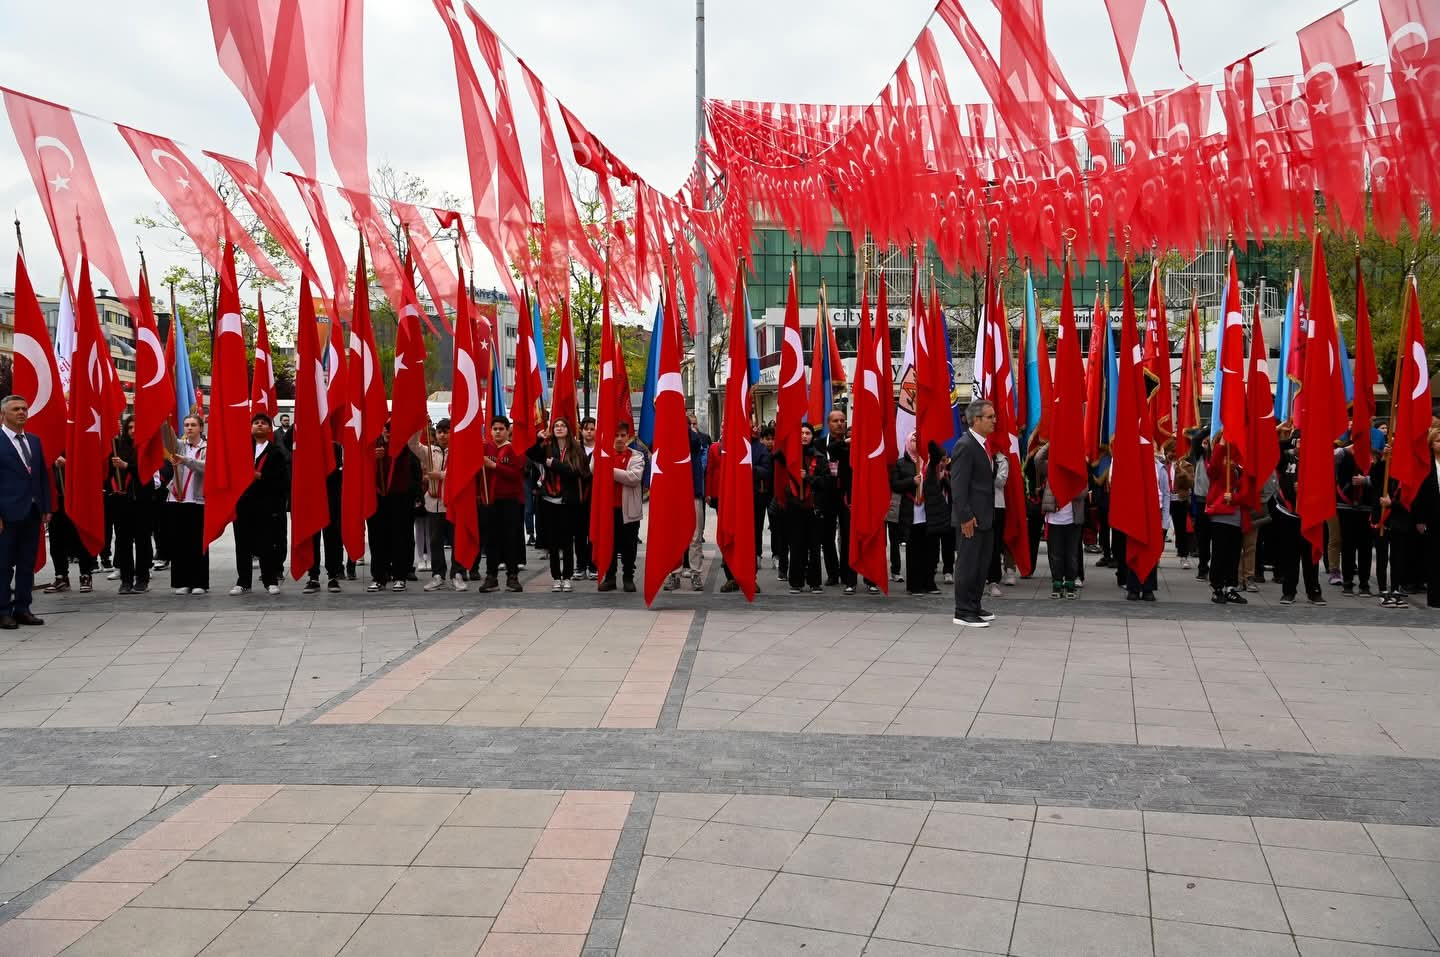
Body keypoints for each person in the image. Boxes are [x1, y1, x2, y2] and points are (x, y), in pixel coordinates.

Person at [0, 396, 50, 628]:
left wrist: (46, 507)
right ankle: (3, 611)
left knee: (26, 564)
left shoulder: (34, 440)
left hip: (31, 512)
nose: (21, 412)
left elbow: (41, 476)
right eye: (16, 409)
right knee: (3, 565)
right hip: (6, 515)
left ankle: (22, 608)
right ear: (3, 414)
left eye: (24, 408)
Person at [527, 417, 589, 592]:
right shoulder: (547, 447)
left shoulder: (576, 449)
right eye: (556, 426)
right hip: (548, 501)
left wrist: (555, 464)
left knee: (567, 542)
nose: (559, 428)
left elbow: (577, 472)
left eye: (563, 425)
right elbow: (530, 454)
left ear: (568, 429)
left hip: (567, 502)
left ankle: (567, 577)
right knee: (552, 543)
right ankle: (556, 577)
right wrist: (538, 438)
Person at [951, 401, 997, 627]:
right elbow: (959, 486)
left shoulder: (983, 445)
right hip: (970, 518)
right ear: (976, 420)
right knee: (968, 564)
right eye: (990, 417)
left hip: (985, 517)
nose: (994, 421)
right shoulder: (965, 445)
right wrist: (965, 516)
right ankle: (963, 611)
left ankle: (974, 604)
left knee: (981, 564)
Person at [230, 413, 288, 595]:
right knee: (242, 544)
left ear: (270, 429)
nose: (259, 425)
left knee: (266, 543)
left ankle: (270, 580)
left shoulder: (276, 452)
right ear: (251, 427)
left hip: (265, 504)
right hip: (243, 503)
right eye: (256, 423)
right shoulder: (242, 450)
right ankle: (243, 581)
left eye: (263, 423)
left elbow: (282, 479)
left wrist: (261, 476)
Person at [1271, 426, 1323, 605]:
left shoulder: (1317, 461)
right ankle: (1289, 591)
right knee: (1289, 555)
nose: (1302, 445)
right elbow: (1273, 448)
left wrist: (1307, 490)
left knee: (1310, 555)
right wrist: (1289, 439)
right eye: (1300, 441)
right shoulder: (1286, 458)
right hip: (1288, 513)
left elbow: (1325, 485)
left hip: (1310, 514)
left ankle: (1313, 591)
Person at [368, 423, 422, 592]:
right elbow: (360, 466)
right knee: (377, 538)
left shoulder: (406, 447)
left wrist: (417, 496)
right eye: (385, 427)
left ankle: (400, 576)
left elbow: (416, 471)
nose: (388, 430)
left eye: (392, 427)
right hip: (377, 498)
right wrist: (372, 458)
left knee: (401, 537)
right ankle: (379, 577)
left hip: (400, 497)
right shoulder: (372, 445)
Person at [478, 416, 526, 593]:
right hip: (490, 500)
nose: (497, 432)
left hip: (510, 501)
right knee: (491, 540)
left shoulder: (514, 450)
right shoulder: (485, 448)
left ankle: (512, 577)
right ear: (490, 431)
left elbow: (516, 475)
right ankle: (491, 577)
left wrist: (494, 466)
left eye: (501, 429)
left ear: (508, 430)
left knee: (510, 539)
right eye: (495, 429)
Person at [779, 423, 827, 594]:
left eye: (808, 433)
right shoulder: (790, 456)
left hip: (813, 507)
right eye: (801, 433)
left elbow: (825, 482)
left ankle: (815, 582)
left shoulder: (819, 457)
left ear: (813, 436)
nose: (804, 436)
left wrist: (808, 477)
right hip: (794, 507)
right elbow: (776, 454)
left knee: (814, 546)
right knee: (796, 545)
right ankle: (796, 581)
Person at [108, 415, 153, 595]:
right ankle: (126, 579)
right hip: (121, 502)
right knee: (123, 541)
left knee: (142, 541)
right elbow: (108, 472)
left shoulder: (146, 447)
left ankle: (142, 578)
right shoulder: (117, 447)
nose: (133, 431)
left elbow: (146, 472)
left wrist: (127, 466)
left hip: (141, 501)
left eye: (136, 427)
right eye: (130, 428)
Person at [598, 421, 644, 592]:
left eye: (622, 435)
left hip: (628, 510)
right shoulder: (603, 454)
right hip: (608, 509)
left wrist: (608, 470)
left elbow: (634, 478)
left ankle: (628, 577)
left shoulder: (636, 456)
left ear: (628, 437)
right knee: (609, 544)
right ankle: (610, 577)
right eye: (615, 435)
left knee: (629, 546)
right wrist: (600, 453)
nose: (619, 438)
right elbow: (593, 470)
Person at [167, 414, 209, 595]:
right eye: (186, 425)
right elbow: (165, 436)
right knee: (179, 543)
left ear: (201, 428)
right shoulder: (179, 445)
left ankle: (199, 582)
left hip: (197, 500)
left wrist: (186, 460)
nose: (189, 428)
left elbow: (206, 467)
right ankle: (182, 581)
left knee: (197, 542)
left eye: (193, 425)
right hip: (177, 499)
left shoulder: (207, 447)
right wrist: (163, 418)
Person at [1035, 444, 1083, 599]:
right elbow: (1037, 459)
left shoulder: (1078, 470)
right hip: (1054, 519)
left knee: (1071, 554)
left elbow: (1083, 492)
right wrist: (1052, 442)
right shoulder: (1051, 468)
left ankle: (1070, 584)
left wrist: (1069, 486)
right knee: (1055, 554)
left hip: (1072, 519)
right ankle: (1056, 583)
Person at [822, 409, 860, 593]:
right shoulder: (820, 443)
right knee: (827, 537)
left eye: (842, 420)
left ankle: (847, 574)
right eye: (835, 421)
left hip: (846, 495)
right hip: (827, 495)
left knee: (847, 536)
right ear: (828, 424)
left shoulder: (852, 443)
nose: (839, 424)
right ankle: (832, 573)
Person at [302, 434, 345, 594]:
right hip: (312, 499)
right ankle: (313, 576)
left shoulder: (335, 446)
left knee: (332, 537)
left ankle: (333, 575)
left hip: (331, 498)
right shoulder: (306, 445)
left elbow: (338, 472)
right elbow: (287, 441)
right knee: (313, 538)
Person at [1335, 437, 1377, 597]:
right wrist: (1347, 449)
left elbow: (1382, 479)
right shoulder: (1344, 455)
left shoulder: (1375, 457)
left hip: (1367, 508)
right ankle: (1347, 582)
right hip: (1346, 507)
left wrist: (1365, 481)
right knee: (1348, 547)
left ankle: (1364, 584)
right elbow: (1329, 458)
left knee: (1365, 548)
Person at [1205, 443, 1246, 604]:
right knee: (1219, 554)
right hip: (1221, 517)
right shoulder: (1218, 466)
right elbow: (1213, 469)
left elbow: (1247, 493)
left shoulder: (1240, 468)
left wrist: (1235, 498)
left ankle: (1230, 587)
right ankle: (1217, 587)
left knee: (1234, 555)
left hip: (1237, 518)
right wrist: (1221, 445)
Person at [1373, 439, 1411, 608]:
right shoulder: (1384, 465)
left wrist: (1392, 504)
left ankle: (1395, 589)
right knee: (1382, 556)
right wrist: (1383, 460)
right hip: (1382, 517)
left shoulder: (1408, 469)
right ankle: (1382, 590)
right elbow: (1375, 481)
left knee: (1398, 557)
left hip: (1400, 518)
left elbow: (1410, 499)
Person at [1410, 427, 1440, 608]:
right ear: (1431, 444)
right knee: (1434, 558)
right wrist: (1419, 519)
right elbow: (1419, 494)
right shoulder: (1426, 464)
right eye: (1438, 440)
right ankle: (1435, 597)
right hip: (1432, 517)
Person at [985, 448, 1010, 598]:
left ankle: (994, 579)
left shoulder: (1002, 459)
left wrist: (990, 471)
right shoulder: (981, 454)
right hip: (982, 505)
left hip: (997, 505)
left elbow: (1001, 482)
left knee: (995, 544)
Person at [752, 425, 774, 572]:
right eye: (767, 439)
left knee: (776, 527)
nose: (770, 442)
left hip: (773, 494)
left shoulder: (777, 453)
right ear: (761, 439)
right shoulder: (758, 450)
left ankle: (776, 555)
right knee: (757, 526)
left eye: (772, 439)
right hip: (758, 494)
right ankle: (757, 554)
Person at [1169, 448, 1195, 568]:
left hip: (1179, 500)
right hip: (1164, 499)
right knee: (1161, 529)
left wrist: (1182, 472)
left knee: (1181, 529)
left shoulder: (1187, 466)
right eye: (1171, 451)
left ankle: (1183, 556)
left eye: (1175, 450)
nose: (1173, 453)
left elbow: (1190, 484)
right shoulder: (1162, 465)